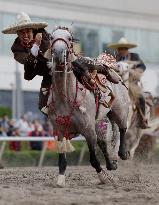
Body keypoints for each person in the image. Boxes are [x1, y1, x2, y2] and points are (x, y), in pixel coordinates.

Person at [2, 12, 51, 115]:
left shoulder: (43, 34)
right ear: (17, 34)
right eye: (21, 33)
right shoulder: (16, 49)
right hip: (39, 71)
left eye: (28, 31)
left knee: (78, 65)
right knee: (42, 106)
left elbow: (54, 45)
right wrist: (36, 45)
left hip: (56, 64)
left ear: (33, 30)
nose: (25, 35)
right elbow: (27, 61)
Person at [107, 37, 148, 128]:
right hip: (117, 84)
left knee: (141, 97)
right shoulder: (114, 58)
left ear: (127, 49)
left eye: (124, 48)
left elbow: (142, 66)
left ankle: (142, 119)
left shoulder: (134, 56)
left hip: (131, 83)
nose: (122, 50)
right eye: (120, 48)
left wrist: (136, 71)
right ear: (118, 49)